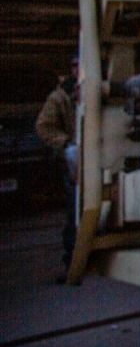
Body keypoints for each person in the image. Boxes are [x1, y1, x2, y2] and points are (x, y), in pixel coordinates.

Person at [36, 56, 79, 279]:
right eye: (75, 65)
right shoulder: (61, 97)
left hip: (104, 156)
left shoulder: (100, 89)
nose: (79, 69)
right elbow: (44, 127)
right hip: (77, 161)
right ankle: (72, 262)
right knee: (75, 212)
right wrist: (66, 144)